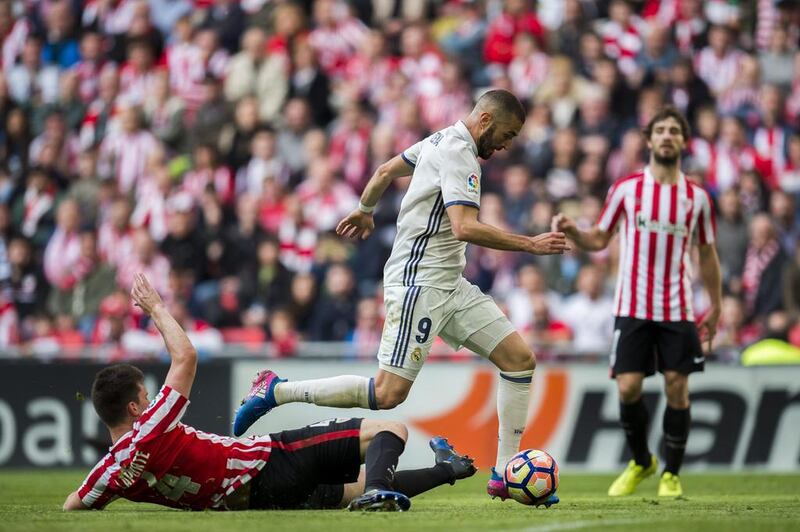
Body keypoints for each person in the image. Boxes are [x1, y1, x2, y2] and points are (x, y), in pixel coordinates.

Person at [234, 89, 568, 505]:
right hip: (419, 284)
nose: (507, 144)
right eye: (507, 133)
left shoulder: (438, 139)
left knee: (519, 360)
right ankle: (276, 390)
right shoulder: (459, 153)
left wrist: (365, 209)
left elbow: (384, 170)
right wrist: (532, 245)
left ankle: (503, 471)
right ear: (485, 120)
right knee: (388, 393)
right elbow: (464, 226)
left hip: (450, 283)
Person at [63, 274, 477, 513]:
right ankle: (377, 491)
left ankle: (448, 470)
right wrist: (155, 308)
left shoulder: (111, 472)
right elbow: (186, 356)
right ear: (136, 407)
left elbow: (72, 506)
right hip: (268, 463)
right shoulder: (149, 428)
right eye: (146, 396)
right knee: (390, 429)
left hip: (254, 502)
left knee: (354, 489)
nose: (154, 402)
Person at [551, 106, 722, 498]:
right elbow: (599, 239)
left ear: (683, 141)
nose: (666, 136)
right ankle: (643, 460)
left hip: (677, 307)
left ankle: (671, 474)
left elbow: (707, 254)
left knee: (677, 386)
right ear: (648, 140)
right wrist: (574, 231)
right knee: (628, 388)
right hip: (632, 306)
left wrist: (717, 304)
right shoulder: (626, 189)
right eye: (659, 130)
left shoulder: (696, 198)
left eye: (673, 131)